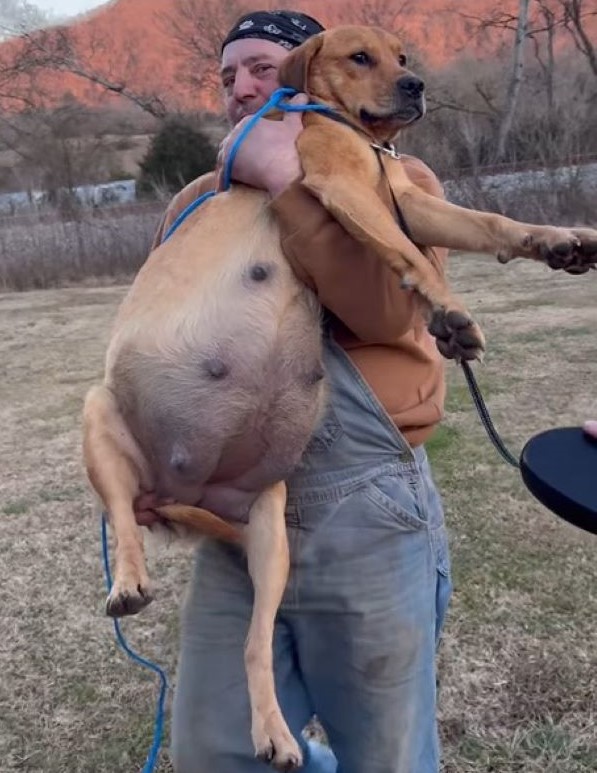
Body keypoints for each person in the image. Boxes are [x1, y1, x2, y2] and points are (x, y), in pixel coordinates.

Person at [142, 10, 452, 773]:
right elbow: (171, 340)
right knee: (215, 749)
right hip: (239, 517)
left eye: (263, 68)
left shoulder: (399, 181)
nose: (244, 89)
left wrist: (286, 177)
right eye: (227, 77)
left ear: (314, 75)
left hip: (362, 509)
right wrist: (158, 461)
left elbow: (384, 311)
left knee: (386, 753)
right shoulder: (198, 197)